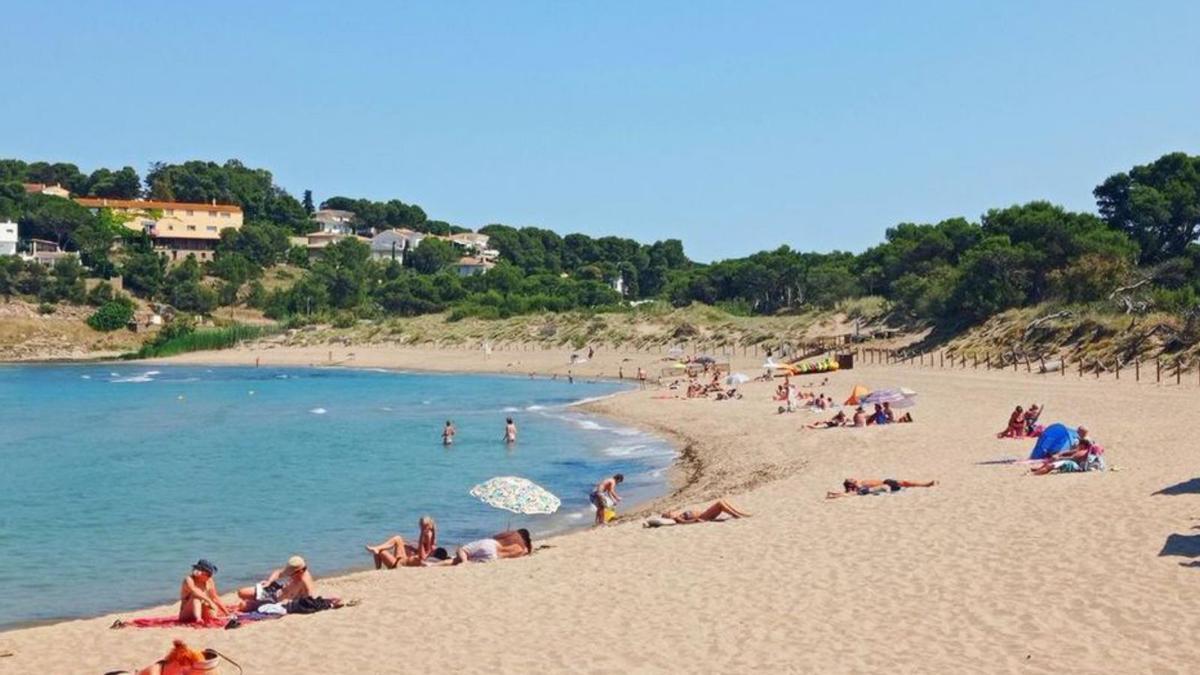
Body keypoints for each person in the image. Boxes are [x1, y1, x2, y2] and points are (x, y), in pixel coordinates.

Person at [236, 556, 316, 611]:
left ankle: (255, 602)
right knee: (241, 592)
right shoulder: (294, 571)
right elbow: (278, 572)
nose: (290, 575)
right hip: (274, 590)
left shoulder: (305, 581)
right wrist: (269, 582)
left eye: (292, 574)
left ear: (300, 571)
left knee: (243, 605)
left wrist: (290, 603)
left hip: (275, 602)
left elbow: (310, 600)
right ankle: (255, 599)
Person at [365, 516, 438, 569]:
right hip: (401, 560)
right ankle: (377, 549)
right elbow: (422, 552)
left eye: (422, 526)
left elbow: (423, 557)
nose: (421, 527)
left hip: (398, 565)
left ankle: (377, 569)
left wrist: (422, 534)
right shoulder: (428, 536)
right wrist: (410, 547)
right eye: (420, 526)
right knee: (398, 539)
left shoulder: (428, 535)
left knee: (380, 551)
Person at [450, 529, 532, 564]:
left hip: (491, 545)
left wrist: (507, 532)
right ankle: (464, 562)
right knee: (459, 560)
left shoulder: (513, 533)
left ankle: (464, 562)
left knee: (462, 551)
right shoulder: (521, 549)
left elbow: (495, 537)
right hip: (494, 556)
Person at [826, 478, 937, 499]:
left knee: (905, 482)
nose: (853, 478)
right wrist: (835, 494)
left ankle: (925, 484)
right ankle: (926, 485)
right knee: (904, 483)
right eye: (851, 480)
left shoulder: (860, 483)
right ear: (850, 485)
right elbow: (848, 494)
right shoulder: (857, 489)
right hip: (885, 486)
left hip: (885, 481)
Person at [659, 499, 750, 524]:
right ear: (669, 516)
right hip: (704, 517)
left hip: (704, 514)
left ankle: (739, 514)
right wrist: (696, 521)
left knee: (722, 502)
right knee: (720, 503)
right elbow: (686, 522)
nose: (670, 511)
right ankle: (737, 515)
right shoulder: (677, 518)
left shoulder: (679, 515)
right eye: (668, 513)